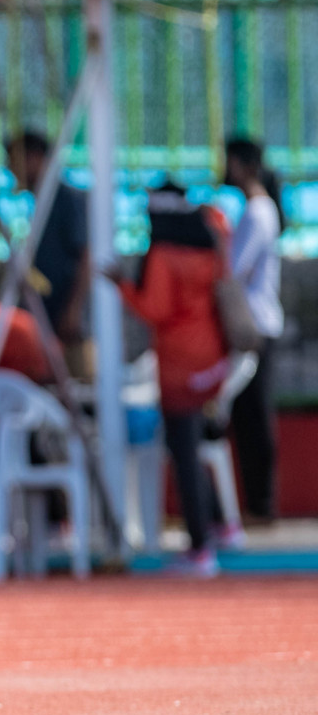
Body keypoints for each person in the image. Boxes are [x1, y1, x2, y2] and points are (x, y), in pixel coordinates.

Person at [107, 183, 229, 578]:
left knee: (183, 450)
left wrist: (121, 286)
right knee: (194, 444)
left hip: (178, 360)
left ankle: (200, 544)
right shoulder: (208, 245)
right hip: (211, 354)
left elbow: (155, 308)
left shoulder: (163, 253)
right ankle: (220, 524)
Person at [224, 137, 284, 524]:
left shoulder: (258, 213)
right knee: (247, 419)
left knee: (255, 419)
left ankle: (263, 505)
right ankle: (257, 505)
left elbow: (232, 268)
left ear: (245, 165)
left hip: (256, 327)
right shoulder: (256, 211)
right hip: (257, 326)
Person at [8, 130, 91, 376]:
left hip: (67, 319)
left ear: (35, 158)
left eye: (14, 162)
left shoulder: (65, 198)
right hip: (48, 316)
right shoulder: (39, 202)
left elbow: (87, 255)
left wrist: (74, 310)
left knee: (77, 383)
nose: (11, 170)